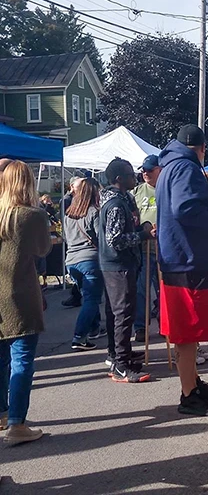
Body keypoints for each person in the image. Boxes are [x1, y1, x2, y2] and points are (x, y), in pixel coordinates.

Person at [157, 125, 208, 416]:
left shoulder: (169, 167)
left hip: (181, 258)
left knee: (187, 332)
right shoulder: (185, 168)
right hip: (187, 260)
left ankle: (193, 383)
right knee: (187, 334)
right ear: (201, 148)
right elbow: (185, 209)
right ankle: (189, 395)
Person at [0, 161, 52, 444]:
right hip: (20, 295)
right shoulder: (32, 216)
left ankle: (3, 413)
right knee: (22, 362)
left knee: (0, 361)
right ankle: (17, 423)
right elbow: (42, 249)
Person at [100, 158, 155, 384]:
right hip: (117, 265)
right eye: (131, 175)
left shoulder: (124, 200)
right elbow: (115, 240)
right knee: (122, 314)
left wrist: (140, 228)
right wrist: (143, 235)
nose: (136, 177)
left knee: (120, 312)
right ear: (119, 179)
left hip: (123, 264)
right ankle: (120, 364)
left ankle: (120, 354)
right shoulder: (114, 204)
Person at [64, 177, 104, 351]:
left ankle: (94, 328)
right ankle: (79, 336)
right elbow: (100, 237)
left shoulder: (69, 213)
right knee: (92, 299)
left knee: (87, 296)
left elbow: (66, 237)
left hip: (71, 260)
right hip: (90, 259)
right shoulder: (94, 211)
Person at [132, 155, 161, 343]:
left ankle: (165, 323)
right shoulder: (137, 192)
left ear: (159, 170)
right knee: (142, 289)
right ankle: (141, 327)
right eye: (143, 170)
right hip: (144, 248)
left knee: (163, 290)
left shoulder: (167, 190)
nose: (145, 173)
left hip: (164, 248)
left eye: (150, 170)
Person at [61, 174, 87, 308]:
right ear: (72, 187)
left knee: (87, 290)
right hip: (77, 247)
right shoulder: (67, 200)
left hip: (78, 251)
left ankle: (76, 296)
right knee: (90, 295)